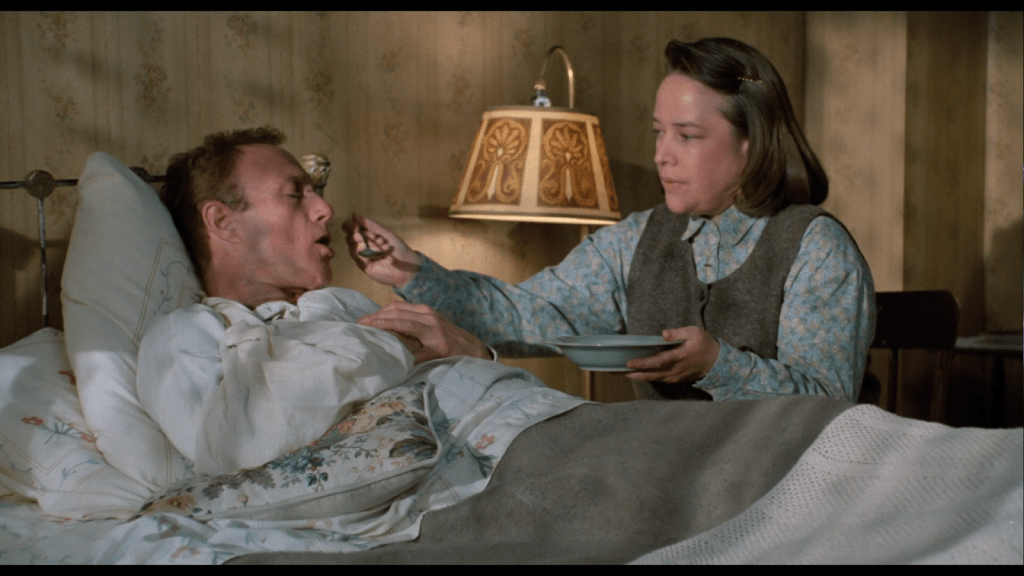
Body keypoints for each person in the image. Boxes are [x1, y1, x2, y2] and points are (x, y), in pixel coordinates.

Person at [346, 37, 876, 402]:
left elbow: (828, 403)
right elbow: (530, 315)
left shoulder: (816, 246)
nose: (662, 155)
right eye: (658, 133)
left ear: (751, 143)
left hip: (782, 475)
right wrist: (414, 272)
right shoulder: (637, 239)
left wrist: (718, 365)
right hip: (667, 469)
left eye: (687, 136)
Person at [136, 127, 495, 475]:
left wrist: (477, 355)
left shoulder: (345, 304)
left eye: (316, 192)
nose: (325, 208)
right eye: (295, 194)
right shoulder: (185, 335)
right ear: (222, 221)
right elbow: (233, 448)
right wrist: (383, 348)